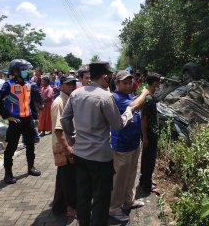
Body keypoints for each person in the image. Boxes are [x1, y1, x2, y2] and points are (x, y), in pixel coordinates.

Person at [60, 62, 149, 226]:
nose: (109, 78)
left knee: (84, 194)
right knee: (101, 197)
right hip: (100, 157)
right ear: (104, 76)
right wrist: (129, 112)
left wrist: (73, 141)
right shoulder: (105, 97)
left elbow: (65, 120)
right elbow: (118, 125)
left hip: (80, 154)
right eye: (108, 76)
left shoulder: (76, 93)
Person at [0, 59, 41, 184]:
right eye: (23, 69)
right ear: (16, 71)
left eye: (26, 69)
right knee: (11, 148)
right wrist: (7, 116)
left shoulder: (28, 84)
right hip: (16, 121)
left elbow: (30, 101)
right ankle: (8, 174)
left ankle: (31, 167)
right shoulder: (8, 84)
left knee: (30, 144)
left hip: (28, 119)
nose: (26, 71)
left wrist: (35, 117)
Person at [109, 71, 145, 222]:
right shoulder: (116, 98)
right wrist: (146, 92)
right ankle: (114, 208)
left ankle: (128, 201)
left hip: (133, 143)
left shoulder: (128, 95)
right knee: (119, 179)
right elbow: (134, 105)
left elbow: (134, 101)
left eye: (130, 82)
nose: (128, 85)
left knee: (131, 175)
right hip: (122, 146)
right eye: (124, 82)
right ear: (117, 83)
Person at [51, 74, 77, 217]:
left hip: (66, 144)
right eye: (68, 84)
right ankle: (70, 207)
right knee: (68, 178)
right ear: (61, 86)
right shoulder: (59, 102)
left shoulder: (68, 100)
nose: (72, 86)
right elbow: (58, 128)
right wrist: (67, 148)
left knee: (63, 177)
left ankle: (59, 206)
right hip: (63, 145)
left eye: (73, 83)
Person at [139, 73, 161, 194]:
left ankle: (145, 180)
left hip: (152, 133)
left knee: (147, 158)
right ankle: (147, 185)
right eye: (159, 81)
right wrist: (145, 137)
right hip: (150, 134)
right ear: (154, 82)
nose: (160, 83)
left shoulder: (150, 96)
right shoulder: (148, 99)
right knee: (149, 159)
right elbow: (143, 119)